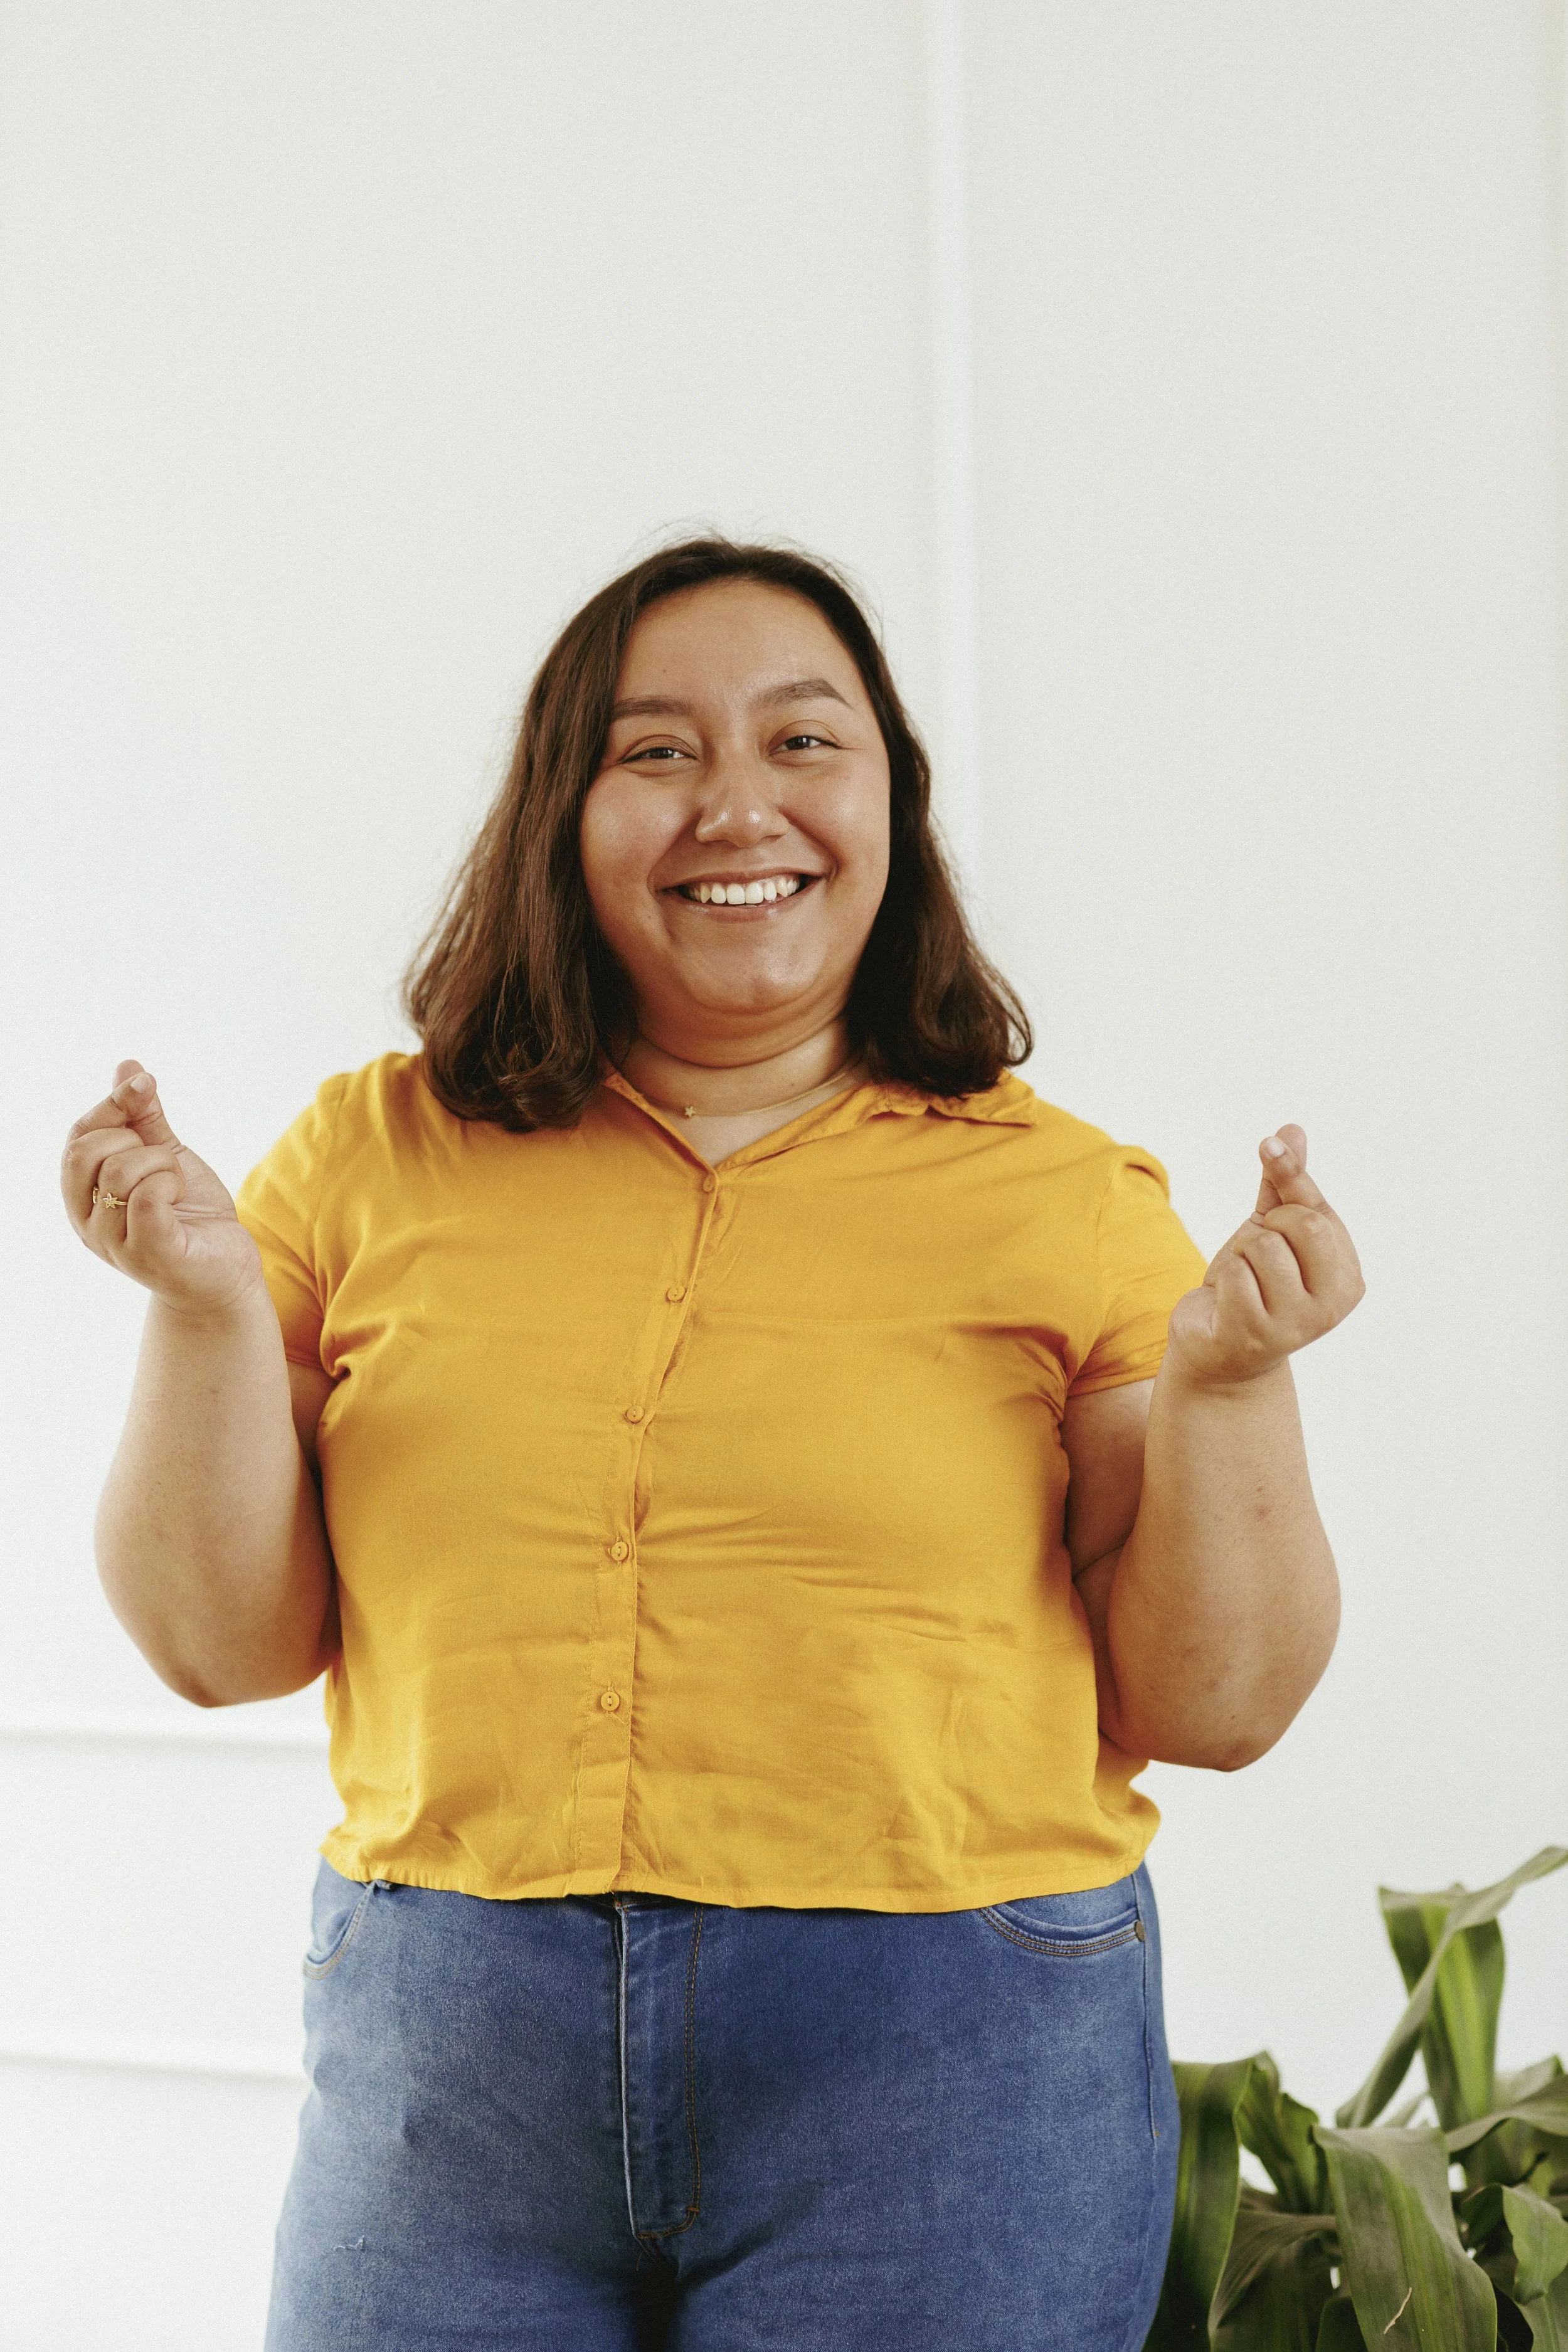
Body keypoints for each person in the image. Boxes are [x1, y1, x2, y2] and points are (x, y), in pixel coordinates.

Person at [60, 538, 1364, 2352]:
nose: (734, 802)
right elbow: (218, 1642)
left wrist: (1227, 1383)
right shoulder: (367, 1156)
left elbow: (1214, 1700)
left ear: (888, 798)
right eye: (655, 750)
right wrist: (201, 1303)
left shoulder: (1062, 1197)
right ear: (559, 812)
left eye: (802, 741)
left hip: (943, 2052)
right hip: (458, 2050)